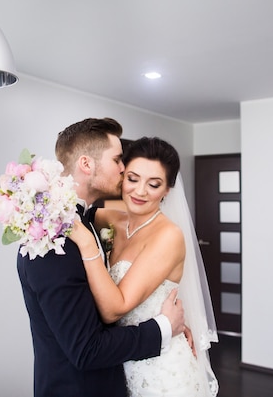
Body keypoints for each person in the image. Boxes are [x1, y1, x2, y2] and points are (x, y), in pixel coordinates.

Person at [16, 118, 186, 397]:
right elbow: (86, 349)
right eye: (119, 161)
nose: (123, 168)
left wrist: (165, 318)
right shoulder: (51, 239)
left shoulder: (84, 220)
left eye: (153, 183)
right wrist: (164, 327)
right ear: (86, 164)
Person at [69, 136, 219, 396]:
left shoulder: (168, 236)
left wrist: (87, 246)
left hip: (161, 371)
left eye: (154, 184)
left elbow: (113, 310)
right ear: (122, 176)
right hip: (121, 362)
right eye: (133, 178)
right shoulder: (111, 220)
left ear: (167, 190)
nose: (139, 191)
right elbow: (75, 209)